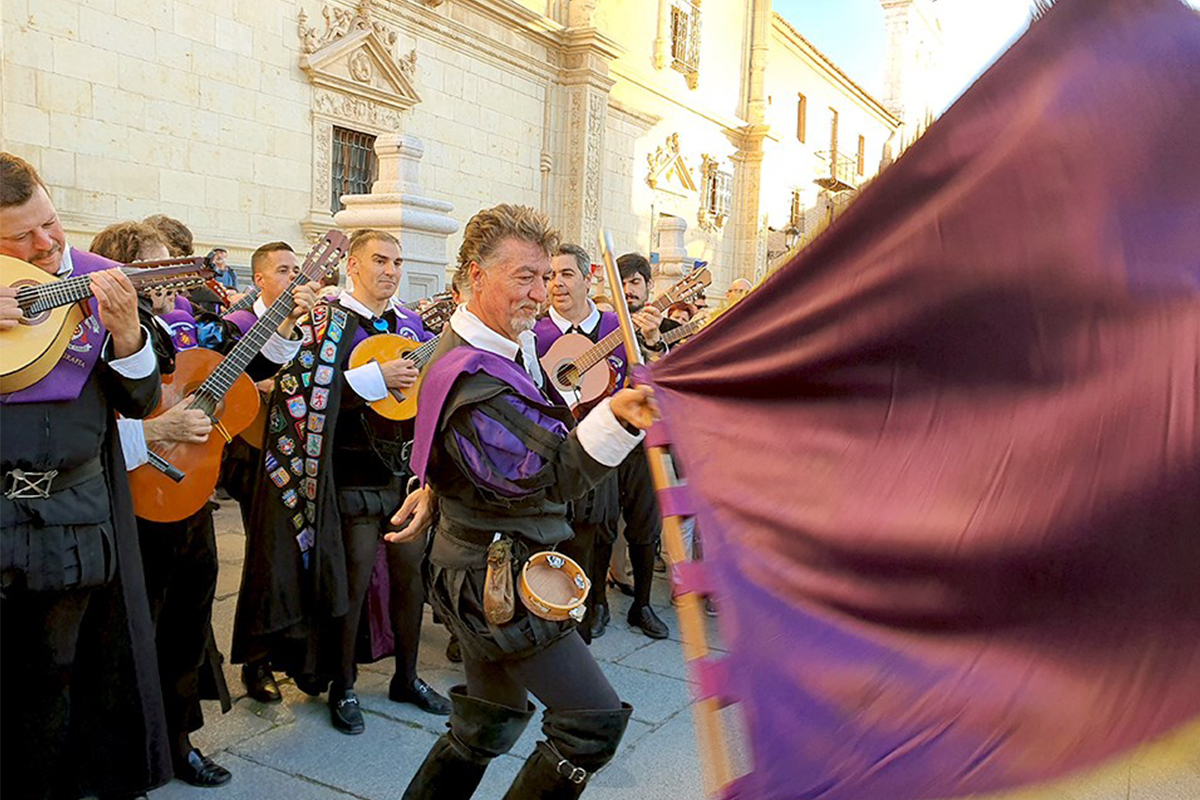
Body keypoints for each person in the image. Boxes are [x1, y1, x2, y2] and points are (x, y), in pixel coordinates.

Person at [398, 204, 657, 799]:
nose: (540, 294)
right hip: (499, 581)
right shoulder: (474, 373)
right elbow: (546, 477)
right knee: (590, 726)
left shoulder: (491, 350)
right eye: (523, 277)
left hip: (477, 563)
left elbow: (470, 453)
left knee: (483, 724)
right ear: (472, 276)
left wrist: (437, 489)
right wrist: (618, 417)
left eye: (545, 277)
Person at [95, 225, 315, 788]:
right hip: (134, 508)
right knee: (133, 637)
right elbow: (82, 440)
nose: (174, 276)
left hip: (190, 503)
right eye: (159, 267)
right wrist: (156, 431)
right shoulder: (92, 340)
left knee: (187, 630)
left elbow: (246, 366)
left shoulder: (174, 326)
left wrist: (285, 321)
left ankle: (178, 739)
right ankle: (127, 754)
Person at [0, 153, 171, 799]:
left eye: (49, 223)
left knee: (55, 673)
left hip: (70, 519)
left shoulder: (100, 281)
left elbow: (140, 400)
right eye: (22, 236)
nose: (46, 243)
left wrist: (127, 336)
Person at [232, 229, 449, 736]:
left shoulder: (410, 325)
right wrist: (374, 380)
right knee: (348, 581)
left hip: (400, 474)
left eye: (397, 262)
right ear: (352, 265)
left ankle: (407, 677)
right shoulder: (324, 323)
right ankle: (343, 684)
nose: (391, 270)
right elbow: (300, 391)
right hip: (344, 478)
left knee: (409, 576)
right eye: (380, 260)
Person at [533, 243, 626, 641]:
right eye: (550, 275)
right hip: (554, 448)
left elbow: (639, 377)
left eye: (566, 274)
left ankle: (596, 604)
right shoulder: (534, 333)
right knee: (557, 528)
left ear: (589, 279)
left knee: (600, 529)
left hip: (602, 446)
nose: (556, 283)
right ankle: (554, 605)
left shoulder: (614, 328)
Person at [610, 252, 676, 639]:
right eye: (623, 282)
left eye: (636, 282)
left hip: (643, 444)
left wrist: (653, 344)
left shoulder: (662, 328)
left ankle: (643, 604)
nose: (630, 290)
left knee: (644, 528)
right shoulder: (601, 324)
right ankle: (596, 606)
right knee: (599, 526)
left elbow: (669, 388)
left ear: (649, 288)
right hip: (603, 441)